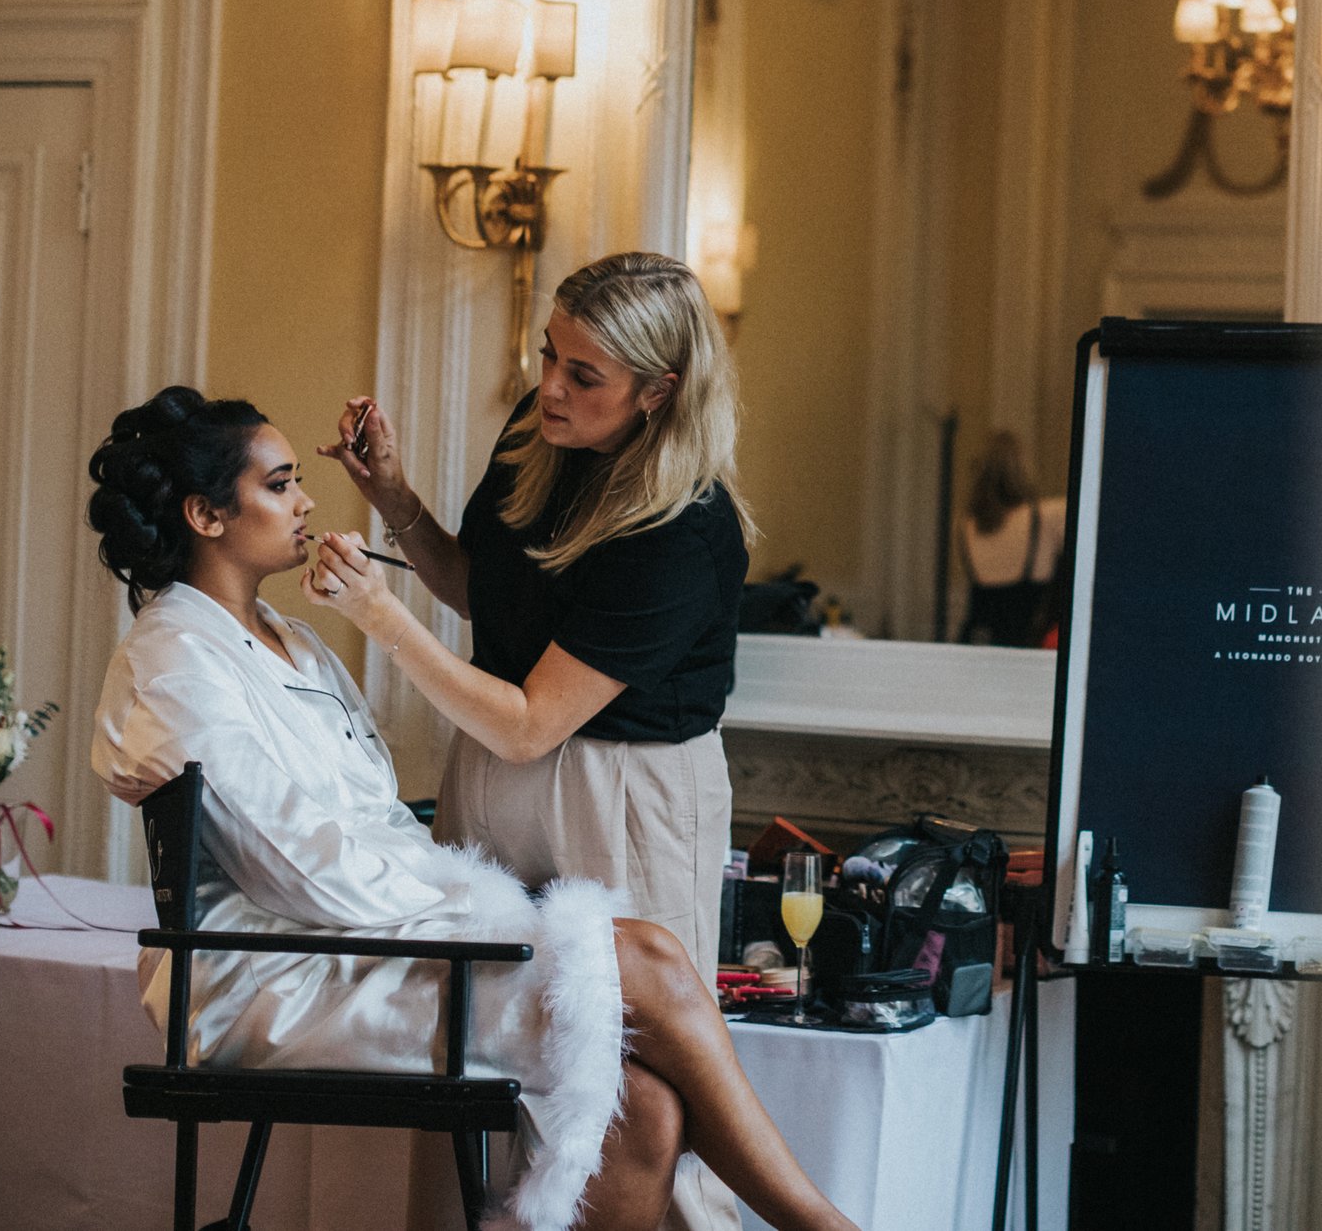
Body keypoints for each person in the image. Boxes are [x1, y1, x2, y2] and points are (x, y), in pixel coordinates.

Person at [83, 387, 855, 1231]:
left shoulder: (291, 638)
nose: (307, 501)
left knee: (646, 1106)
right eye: (280, 484)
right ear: (205, 513)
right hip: (274, 971)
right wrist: (480, 915)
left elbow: (372, 817)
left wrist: (476, 910)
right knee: (654, 966)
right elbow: (302, 868)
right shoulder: (174, 661)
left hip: (360, 938)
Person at [315, 252, 751, 1231]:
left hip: (623, 796)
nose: (550, 385)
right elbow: (487, 596)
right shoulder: (534, 433)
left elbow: (534, 721)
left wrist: (380, 617)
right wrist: (394, 498)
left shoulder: (684, 527)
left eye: (584, 374)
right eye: (548, 354)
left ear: (657, 391)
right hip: (492, 763)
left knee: (629, 1093)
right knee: (483, 1065)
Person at [956, 430, 1067, 647]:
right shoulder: (1048, 515)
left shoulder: (965, 524)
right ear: (1022, 469)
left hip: (978, 647)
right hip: (1027, 649)